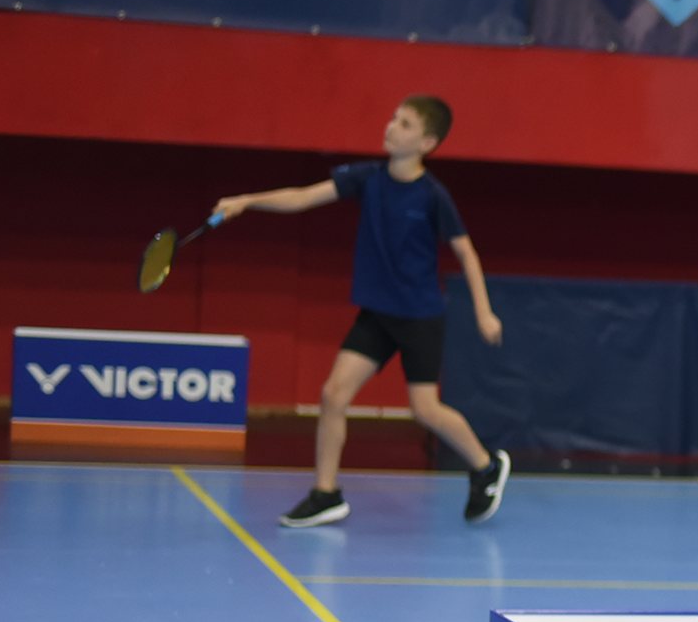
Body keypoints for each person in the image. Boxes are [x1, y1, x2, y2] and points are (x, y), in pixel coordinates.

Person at [210, 96, 512, 529]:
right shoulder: (366, 178)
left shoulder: (432, 196)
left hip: (419, 317)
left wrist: (485, 312)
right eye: (393, 118)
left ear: (426, 143)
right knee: (334, 394)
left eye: (404, 124)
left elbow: (466, 253)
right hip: (378, 313)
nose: (391, 126)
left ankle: (485, 466)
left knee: (425, 410)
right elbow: (303, 197)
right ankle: (325, 494)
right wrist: (246, 200)